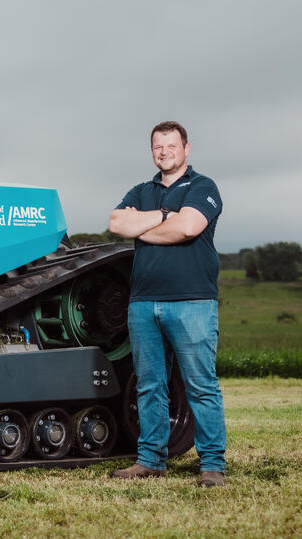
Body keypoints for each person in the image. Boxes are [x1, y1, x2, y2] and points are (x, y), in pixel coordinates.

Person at [107, 121, 226, 487]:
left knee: (200, 384)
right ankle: (150, 460)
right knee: (149, 384)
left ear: (186, 148)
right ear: (152, 150)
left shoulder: (203, 187)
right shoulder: (142, 190)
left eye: (171, 146)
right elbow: (116, 223)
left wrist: (141, 227)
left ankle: (211, 465)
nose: (164, 152)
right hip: (143, 303)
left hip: (191, 302)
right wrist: (161, 217)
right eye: (158, 146)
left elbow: (188, 228)